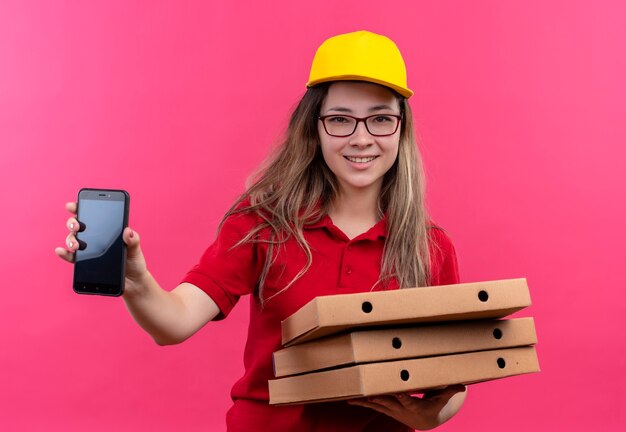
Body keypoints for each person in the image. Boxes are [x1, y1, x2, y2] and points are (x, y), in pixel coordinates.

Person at [56, 30, 467, 431]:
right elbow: (173, 324)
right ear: (315, 128)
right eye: (341, 119)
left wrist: (430, 416)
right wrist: (136, 280)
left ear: (401, 128)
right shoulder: (263, 223)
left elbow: (456, 369)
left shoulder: (428, 246)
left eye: (380, 119)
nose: (361, 138)